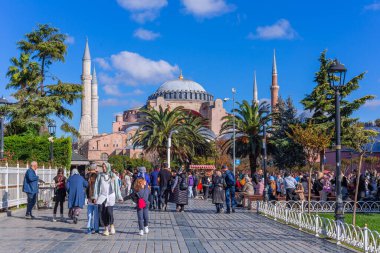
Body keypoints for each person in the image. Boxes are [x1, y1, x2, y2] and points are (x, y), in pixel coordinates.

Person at [94, 162, 123, 236]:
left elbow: (116, 187)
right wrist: (95, 196)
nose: (103, 168)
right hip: (102, 196)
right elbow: (96, 186)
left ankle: (112, 225)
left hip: (110, 196)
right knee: (102, 212)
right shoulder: (100, 175)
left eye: (105, 167)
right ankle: (106, 228)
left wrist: (119, 197)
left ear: (108, 167)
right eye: (103, 167)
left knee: (109, 212)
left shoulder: (113, 175)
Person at [86, 164, 99, 234]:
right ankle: (96, 228)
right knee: (95, 213)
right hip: (95, 197)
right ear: (95, 168)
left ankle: (89, 227)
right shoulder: (97, 176)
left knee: (89, 213)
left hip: (90, 197)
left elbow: (86, 187)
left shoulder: (87, 176)